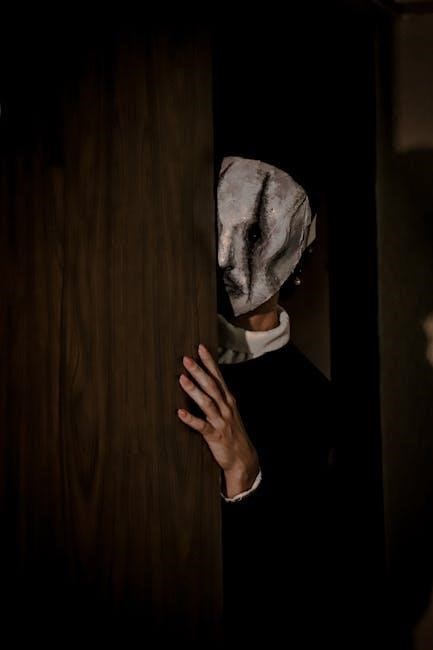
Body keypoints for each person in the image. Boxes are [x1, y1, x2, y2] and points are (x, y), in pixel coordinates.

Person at [177, 157, 342, 647]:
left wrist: (245, 475)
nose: (230, 253)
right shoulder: (172, 352)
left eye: (253, 235)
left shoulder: (317, 403)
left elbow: (302, 576)